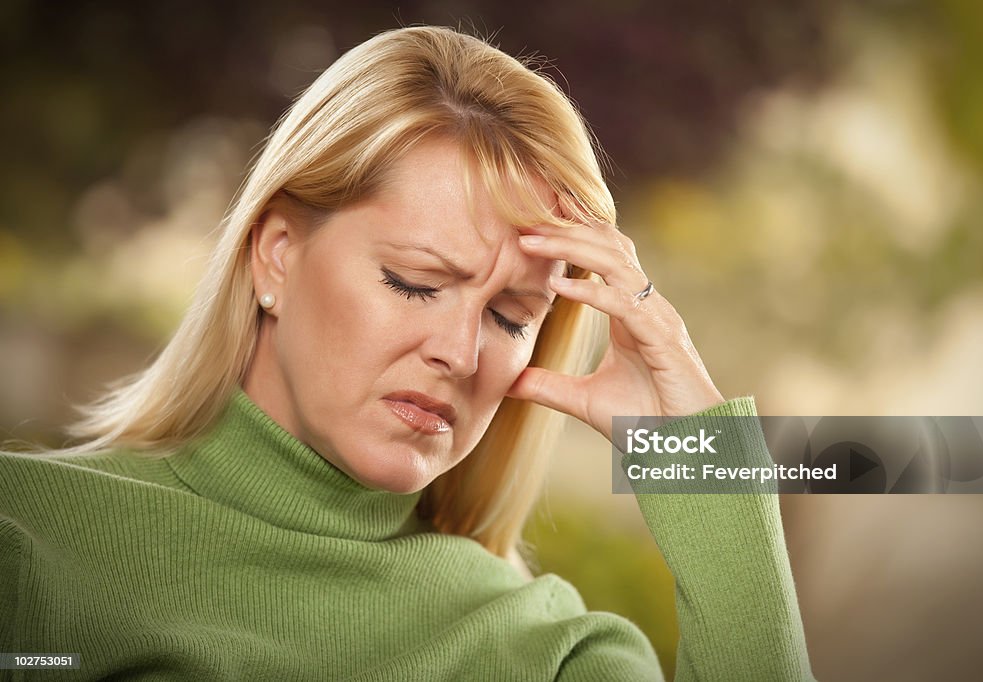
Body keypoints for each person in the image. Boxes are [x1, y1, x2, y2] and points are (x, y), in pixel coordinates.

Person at [0, 26, 815, 680]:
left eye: (508, 316)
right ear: (277, 253)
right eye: (415, 283)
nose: (461, 353)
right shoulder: (27, 548)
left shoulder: (550, 654)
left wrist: (706, 461)